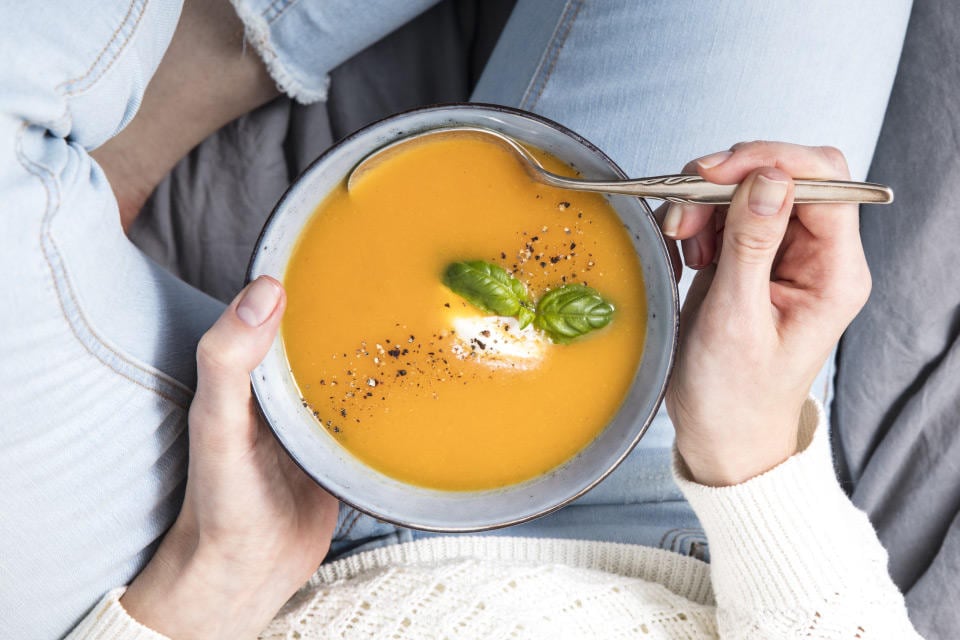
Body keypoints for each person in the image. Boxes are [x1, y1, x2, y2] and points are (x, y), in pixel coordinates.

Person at [0, 0, 925, 638]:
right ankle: (215, 60)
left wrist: (210, 590)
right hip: (656, 487)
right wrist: (748, 451)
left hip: (204, 564)